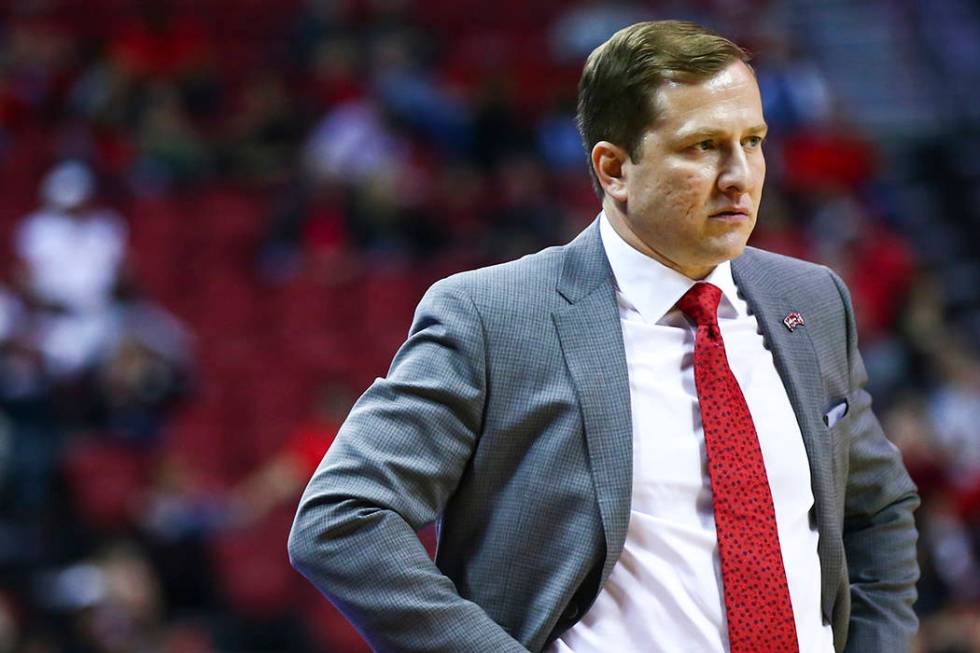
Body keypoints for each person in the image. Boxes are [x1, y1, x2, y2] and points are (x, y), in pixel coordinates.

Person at [288, 20, 919, 653]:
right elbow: (341, 519)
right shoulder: (493, 316)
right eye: (702, 146)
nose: (740, 175)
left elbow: (878, 510)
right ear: (613, 168)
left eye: (752, 141)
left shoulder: (810, 300)